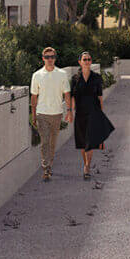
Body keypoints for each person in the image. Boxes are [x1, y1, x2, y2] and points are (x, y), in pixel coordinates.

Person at [68, 51, 114, 180]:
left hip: (93, 112)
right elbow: (72, 97)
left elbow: (100, 97)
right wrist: (70, 112)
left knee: (90, 140)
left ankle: (87, 166)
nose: (87, 61)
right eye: (84, 59)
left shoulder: (97, 78)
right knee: (82, 142)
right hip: (80, 113)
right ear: (80, 62)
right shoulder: (75, 79)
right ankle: (86, 163)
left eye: (89, 59)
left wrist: (101, 113)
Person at [29, 47, 72, 182]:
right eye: (47, 57)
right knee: (45, 142)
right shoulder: (37, 75)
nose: (50, 59)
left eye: (52, 57)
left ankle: (50, 164)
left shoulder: (62, 74)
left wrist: (69, 111)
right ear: (43, 58)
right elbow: (34, 96)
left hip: (57, 113)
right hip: (42, 113)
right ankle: (46, 168)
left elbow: (67, 94)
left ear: (55, 58)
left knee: (53, 143)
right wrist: (34, 114)